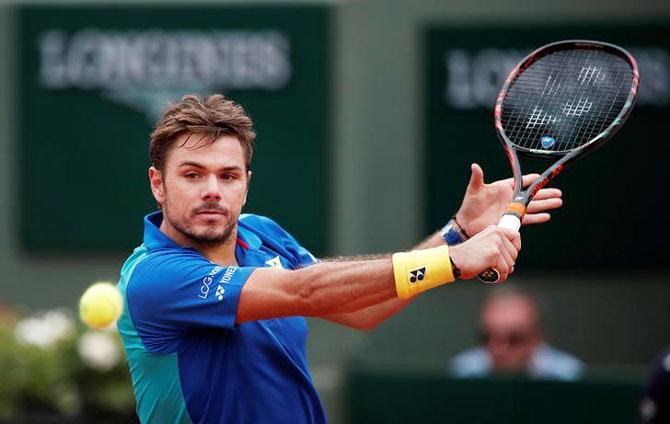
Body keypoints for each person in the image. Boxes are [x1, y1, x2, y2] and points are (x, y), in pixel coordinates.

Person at [116, 94, 563, 424]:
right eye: (192, 174)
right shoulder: (153, 277)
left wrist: (456, 234)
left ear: (245, 183)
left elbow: (359, 306)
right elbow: (306, 291)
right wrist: (453, 260)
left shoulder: (261, 233)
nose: (212, 189)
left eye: (228, 175)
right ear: (158, 184)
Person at [449, 288, 584, 381]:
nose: (498, 350)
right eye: (487, 337)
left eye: (514, 339)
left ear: (538, 337)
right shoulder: (463, 373)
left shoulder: (566, 376)